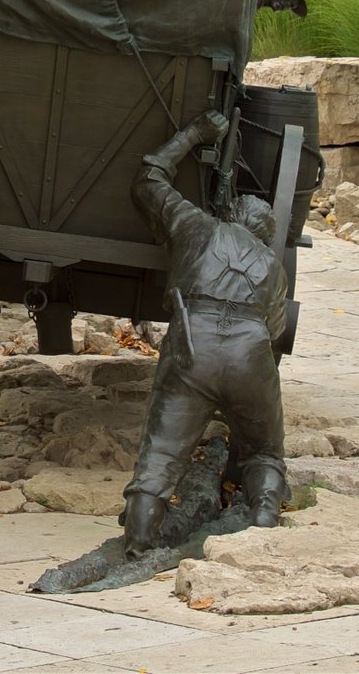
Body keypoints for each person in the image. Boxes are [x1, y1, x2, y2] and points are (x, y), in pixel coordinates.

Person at [123, 108, 290, 554]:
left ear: (230, 214)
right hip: (251, 352)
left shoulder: (197, 226)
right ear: (265, 234)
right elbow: (276, 331)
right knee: (264, 452)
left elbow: (148, 180)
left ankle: (136, 542)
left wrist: (194, 134)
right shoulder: (273, 267)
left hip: (193, 345)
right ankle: (263, 523)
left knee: (159, 458)